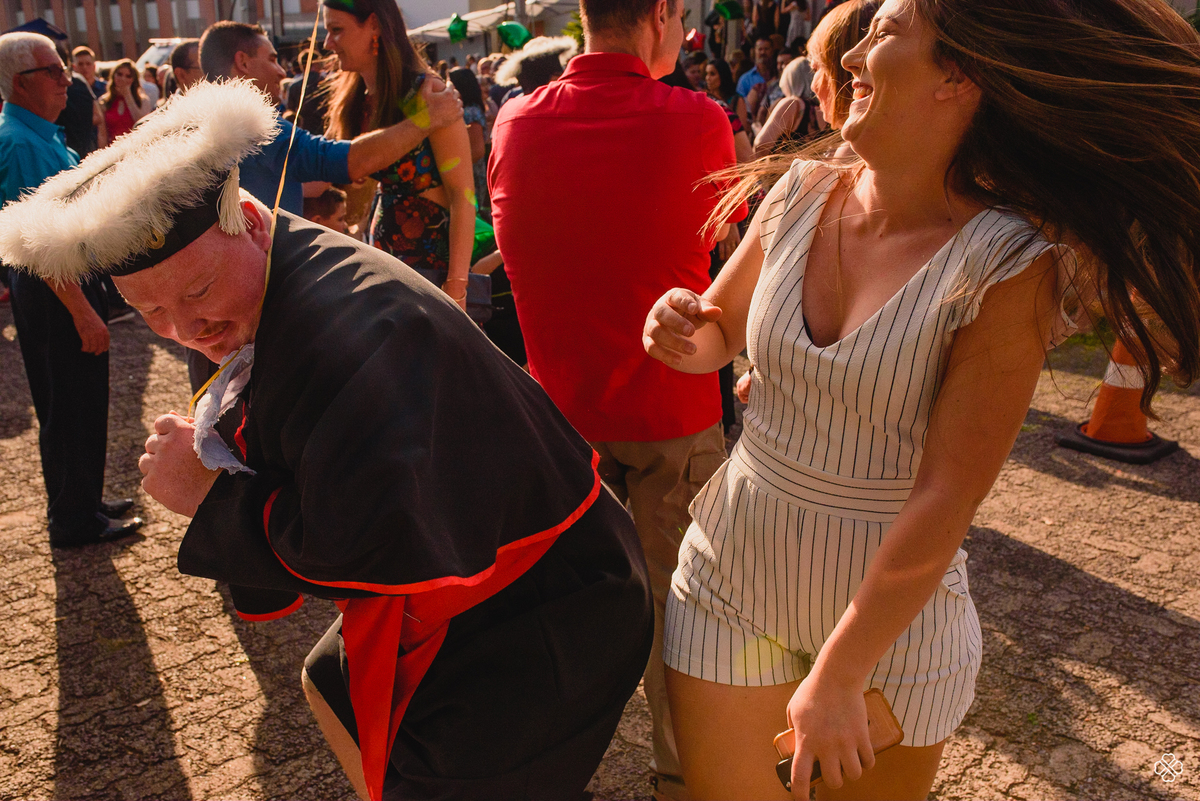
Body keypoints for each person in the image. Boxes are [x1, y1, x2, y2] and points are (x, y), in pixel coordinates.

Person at [0, 80, 654, 801]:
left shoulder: (353, 330)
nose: (186, 330)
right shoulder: (250, 278)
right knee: (329, 680)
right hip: (499, 578)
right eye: (148, 311)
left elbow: (364, 542)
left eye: (195, 293)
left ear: (249, 219)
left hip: (550, 601)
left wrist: (212, 497)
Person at [642, 0, 1200, 798]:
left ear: (959, 79)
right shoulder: (798, 190)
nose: (853, 53)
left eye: (886, 32)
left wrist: (839, 673)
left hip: (889, 640)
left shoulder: (1007, 261)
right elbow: (715, 334)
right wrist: (678, 324)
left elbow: (948, 493)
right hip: (728, 584)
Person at [489, 1, 747, 798]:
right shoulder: (698, 119)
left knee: (566, 612)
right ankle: (682, 778)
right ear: (662, 15)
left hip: (562, 421)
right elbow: (728, 246)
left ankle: (542, 772)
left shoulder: (515, 123)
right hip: (671, 409)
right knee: (687, 618)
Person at [0, 32, 140, 547]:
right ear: (21, 83)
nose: (69, 81)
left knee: (76, 403)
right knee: (70, 406)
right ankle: (74, 520)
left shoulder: (37, 130)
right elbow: (41, 244)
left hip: (60, 284)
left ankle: (80, 500)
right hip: (56, 290)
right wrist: (83, 312)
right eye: (55, 71)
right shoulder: (20, 140)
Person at [320, 0, 476, 310]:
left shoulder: (428, 94)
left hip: (431, 268)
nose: (327, 43)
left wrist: (457, 289)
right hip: (383, 260)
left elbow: (464, 196)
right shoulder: (358, 100)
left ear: (375, 25)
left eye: (337, 30)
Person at [99, 59, 151, 141]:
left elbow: (141, 123)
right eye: (119, 74)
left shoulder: (143, 100)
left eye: (128, 76)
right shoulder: (104, 101)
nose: (123, 79)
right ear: (113, 76)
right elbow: (102, 133)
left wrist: (127, 95)